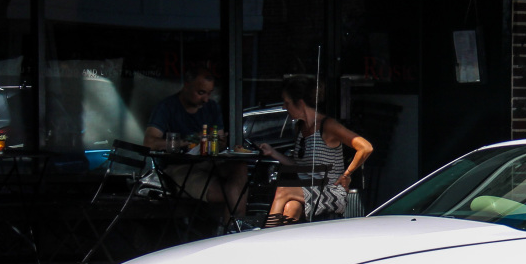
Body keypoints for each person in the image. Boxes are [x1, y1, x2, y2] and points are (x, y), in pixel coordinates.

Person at [257, 79, 373, 225]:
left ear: (300, 103)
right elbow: (299, 165)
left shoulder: (328, 126)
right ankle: (284, 243)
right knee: (290, 207)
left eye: (287, 103)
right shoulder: (300, 127)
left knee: (283, 190)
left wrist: (346, 174)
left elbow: (365, 147)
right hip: (307, 190)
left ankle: (266, 237)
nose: (284, 107)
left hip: (331, 192)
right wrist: (273, 153)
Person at [144, 67, 246, 218]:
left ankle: (230, 228)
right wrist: (190, 140)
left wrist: (221, 141)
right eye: (201, 92)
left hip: (209, 162)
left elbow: (219, 141)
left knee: (240, 167)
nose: (205, 99)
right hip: (178, 167)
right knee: (235, 192)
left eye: (209, 93)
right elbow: (149, 142)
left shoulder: (211, 107)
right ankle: (232, 229)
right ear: (187, 85)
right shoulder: (166, 107)